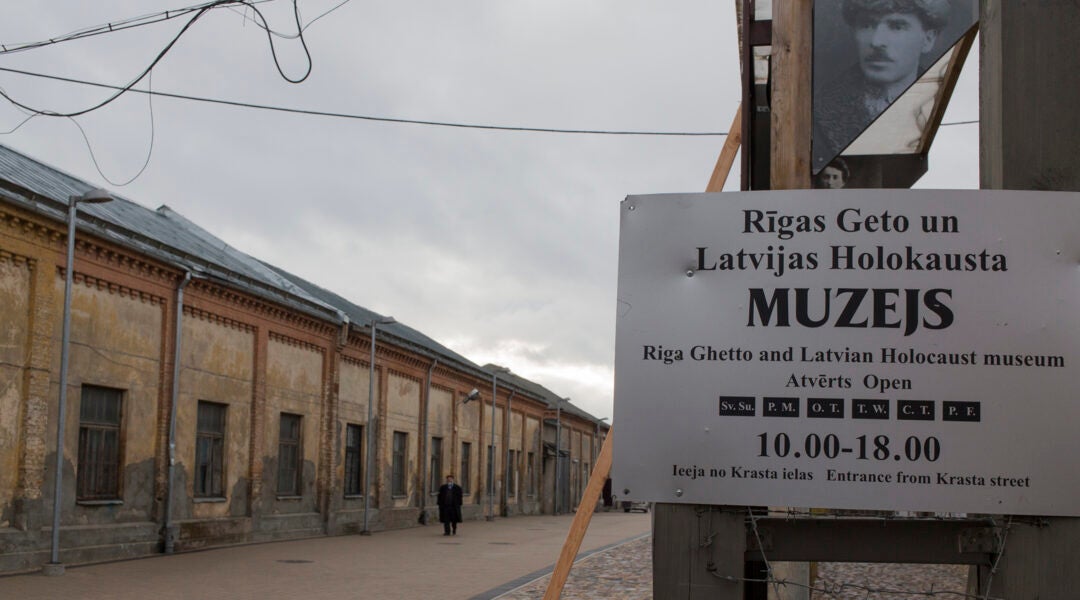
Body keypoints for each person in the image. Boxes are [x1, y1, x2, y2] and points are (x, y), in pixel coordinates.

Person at [813, 0, 951, 170]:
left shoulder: (949, 103)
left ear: (928, 39)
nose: (877, 41)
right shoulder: (818, 110)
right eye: (867, 25)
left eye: (897, 26)